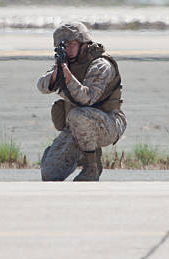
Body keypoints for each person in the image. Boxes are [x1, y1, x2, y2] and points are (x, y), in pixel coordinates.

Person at [37, 21, 127, 181]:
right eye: (64, 45)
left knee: (78, 115)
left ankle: (92, 166)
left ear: (84, 43)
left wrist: (67, 77)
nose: (68, 49)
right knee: (49, 174)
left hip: (108, 123)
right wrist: (56, 74)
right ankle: (80, 155)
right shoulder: (67, 63)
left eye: (72, 44)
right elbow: (42, 86)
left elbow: (86, 98)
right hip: (77, 127)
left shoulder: (101, 65)